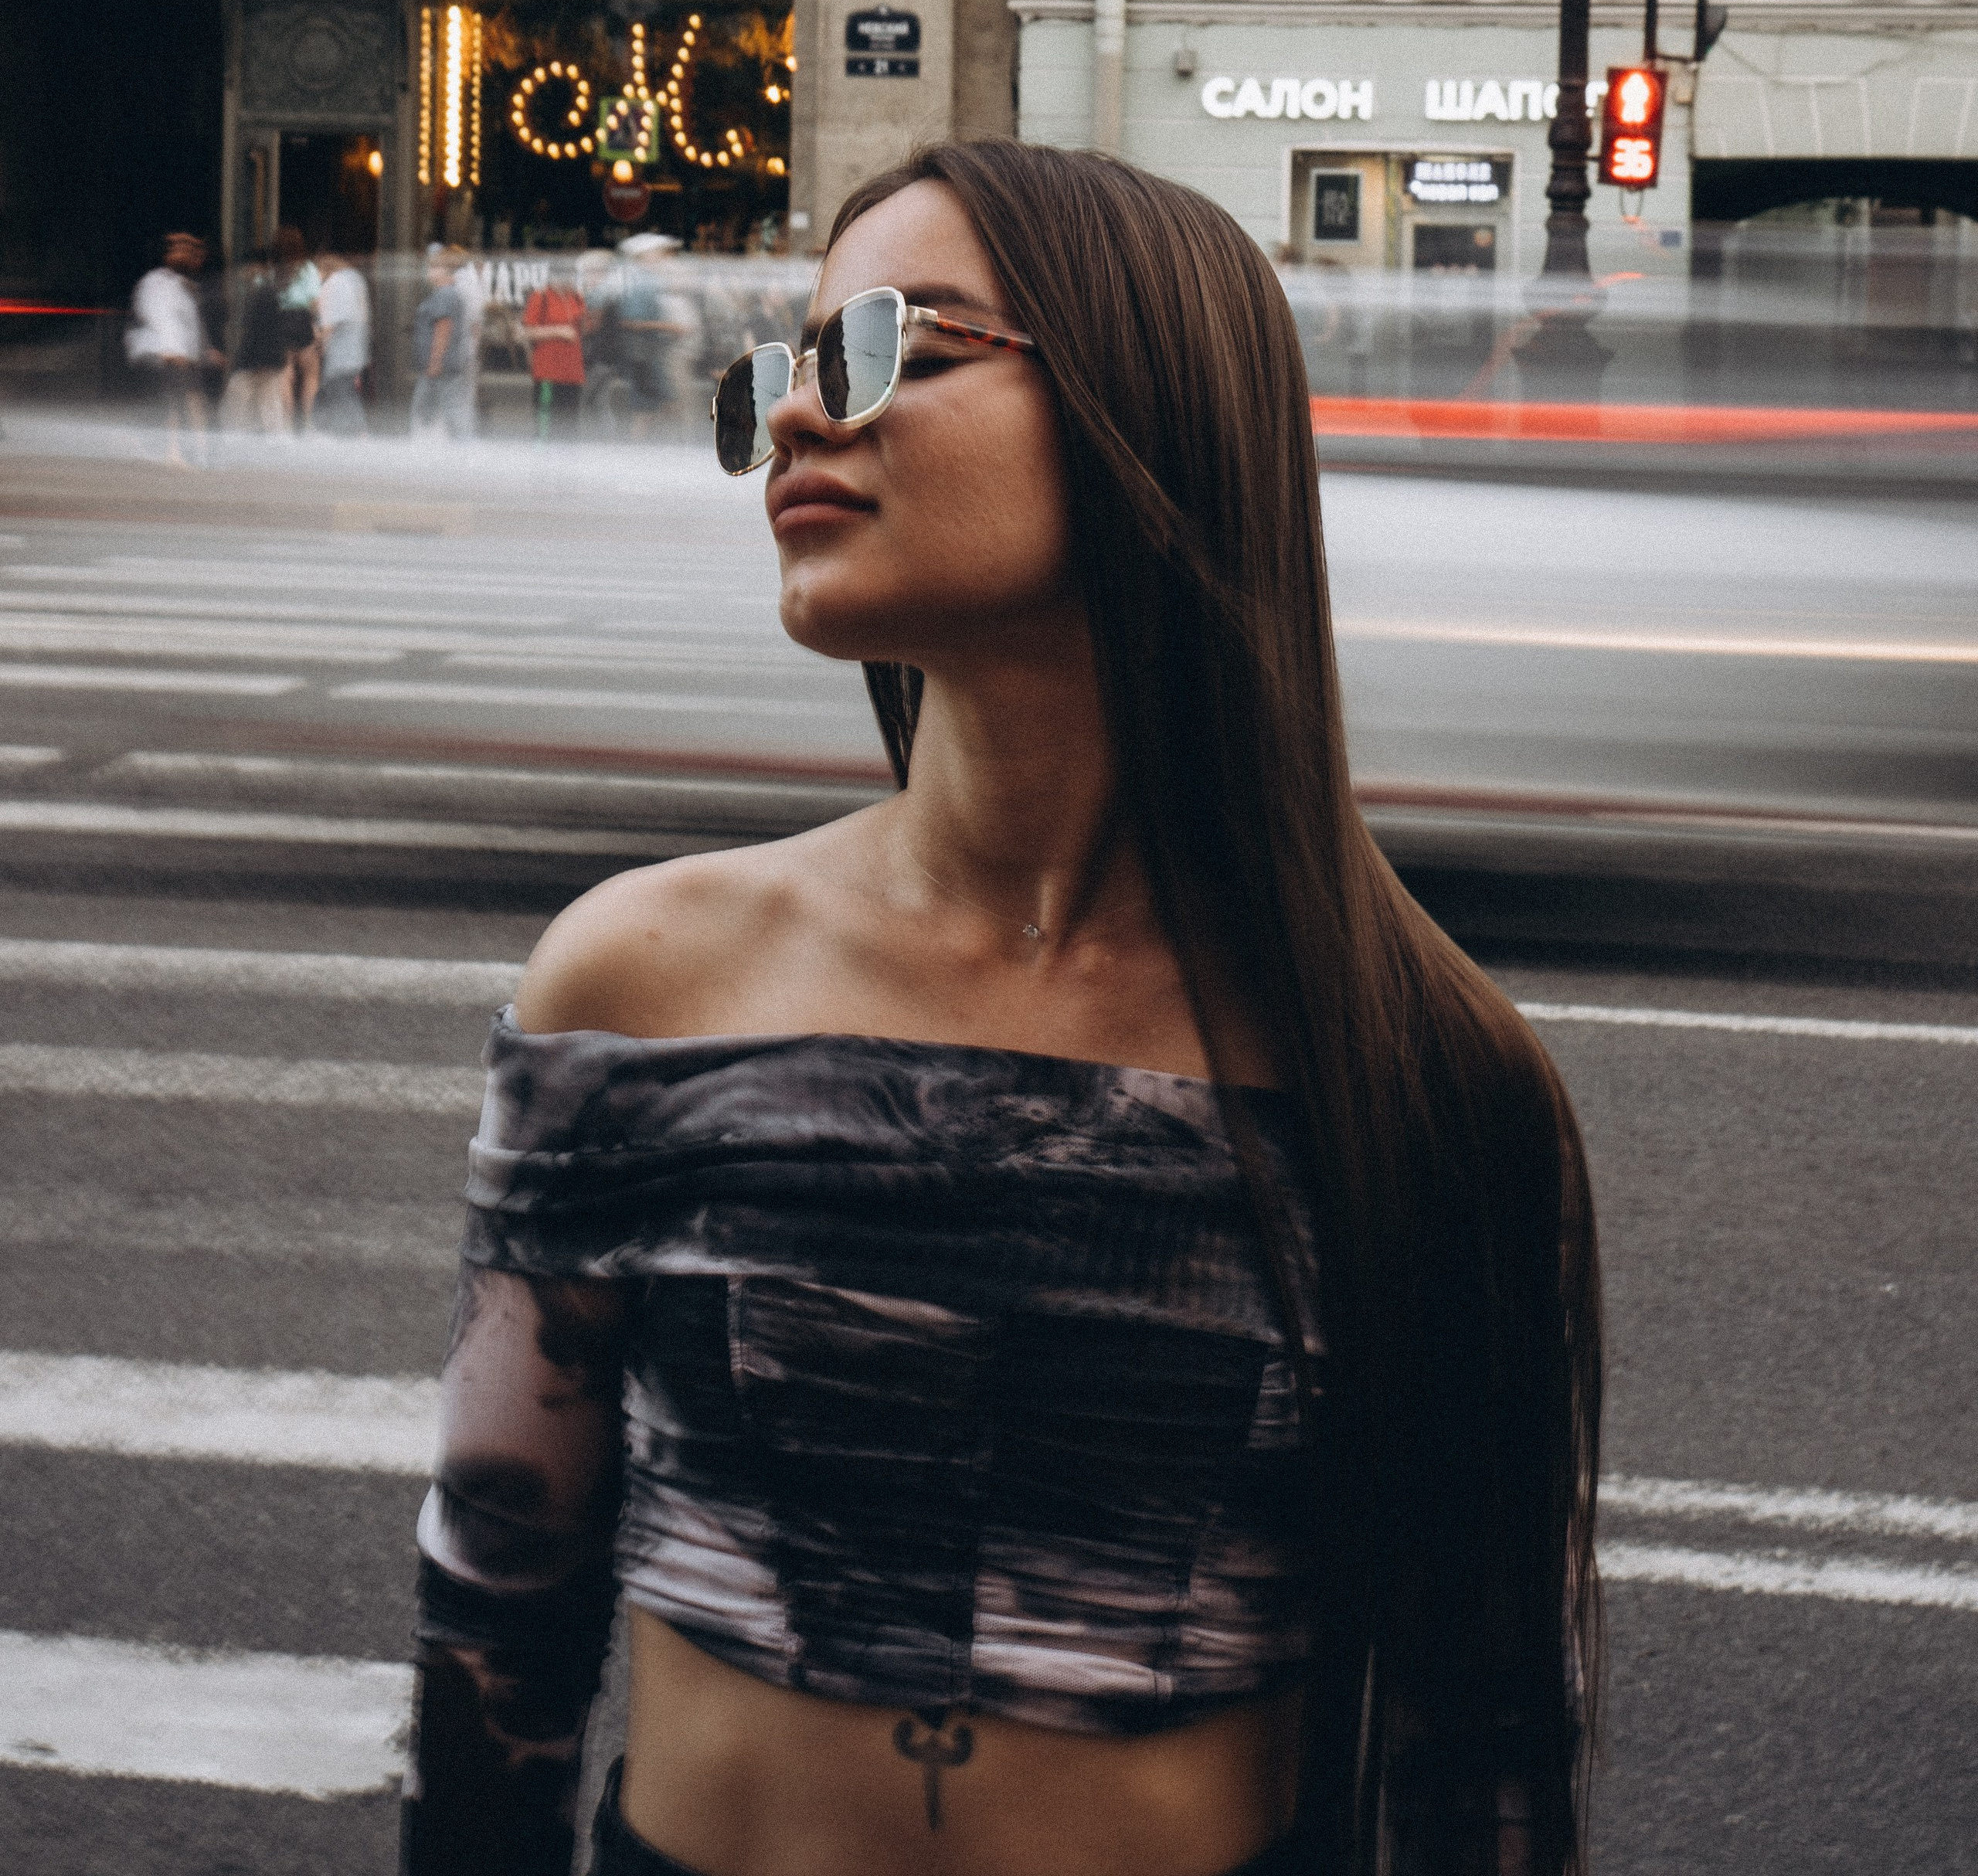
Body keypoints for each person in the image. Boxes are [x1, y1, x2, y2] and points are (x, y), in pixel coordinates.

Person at [403, 142, 1601, 1876]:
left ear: (1146, 404)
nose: (798, 421)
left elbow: (1478, 1743)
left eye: (887, 345)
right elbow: (499, 1592)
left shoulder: (1420, 1075)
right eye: (782, 374)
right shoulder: (639, 982)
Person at [125, 231, 210, 466]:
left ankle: (194, 451)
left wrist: (201, 352)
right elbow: (160, 319)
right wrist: (173, 352)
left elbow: (190, 324)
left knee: (193, 400)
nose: (186, 253)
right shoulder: (156, 282)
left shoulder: (183, 284)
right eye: (179, 248)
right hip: (163, 353)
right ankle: (174, 452)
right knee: (177, 402)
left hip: (180, 355)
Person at [614, 229, 689, 437]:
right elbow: (630, 322)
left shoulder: (648, 279)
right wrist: (668, 327)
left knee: (655, 408)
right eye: (659, 252)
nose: (664, 257)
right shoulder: (639, 282)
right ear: (644, 256)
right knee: (647, 411)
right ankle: (638, 456)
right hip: (642, 357)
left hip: (648, 355)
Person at [219, 251, 291, 437]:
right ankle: (277, 440)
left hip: (257, 359)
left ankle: (234, 439)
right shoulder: (269, 289)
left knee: (237, 399)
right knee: (269, 402)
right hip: (268, 358)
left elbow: (261, 330)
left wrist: (257, 359)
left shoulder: (262, 291)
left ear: (254, 267)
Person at [410, 245, 475, 440]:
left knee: (429, 409)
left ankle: (425, 447)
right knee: (447, 409)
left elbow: (443, 329)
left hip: (441, 367)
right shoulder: (447, 294)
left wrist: (435, 361)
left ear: (445, 271)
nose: (428, 271)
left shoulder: (445, 295)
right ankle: (457, 447)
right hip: (446, 366)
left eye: (433, 267)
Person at [523, 267, 587, 440]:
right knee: (545, 422)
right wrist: (558, 331)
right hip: (548, 372)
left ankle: (568, 462)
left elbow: (582, 328)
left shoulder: (577, 297)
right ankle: (541, 461)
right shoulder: (541, 297)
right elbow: (528, 332)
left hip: (573, 372)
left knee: (570, 424)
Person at [314, 249, 372, 437]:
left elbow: (331, 322)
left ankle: (356, 433)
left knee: (341, 393)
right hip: (355, 349)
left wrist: (321, 342)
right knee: (347, 392)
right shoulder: (355, 280)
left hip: (340, 351)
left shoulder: (336, 282)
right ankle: (353, 433)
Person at [273, 223, 322, 432]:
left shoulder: (273, 271)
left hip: (280, 322)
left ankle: (286, 428)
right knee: (311, 374)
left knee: (286, 376)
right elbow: (315, 302)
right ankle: (309, 426)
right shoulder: (308, 268)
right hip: (302, 321)